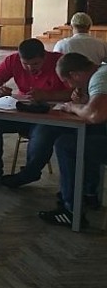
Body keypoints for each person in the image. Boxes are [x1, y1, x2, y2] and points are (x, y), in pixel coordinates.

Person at [0, 38, 72, 187]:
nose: (30, 68)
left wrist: (47, 95)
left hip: (50, 116)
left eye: (35, 64)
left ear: (45, 56)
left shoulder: (60, 62)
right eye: (25, 64)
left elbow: (74, 93)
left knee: (42, 135)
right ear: (19, 58)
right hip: (22, 112)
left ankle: (29, 174)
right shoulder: (12, 60)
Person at [39, 53, 107, 227]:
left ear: (75, 74)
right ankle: (88, 193)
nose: (69, 86)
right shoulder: (102, 71)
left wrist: (73, 107)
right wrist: (86, 102)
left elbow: (95, 115)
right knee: (87, 134)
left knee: (66, 145)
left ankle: (71, 210)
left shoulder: (100, 78)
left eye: (67, 81)